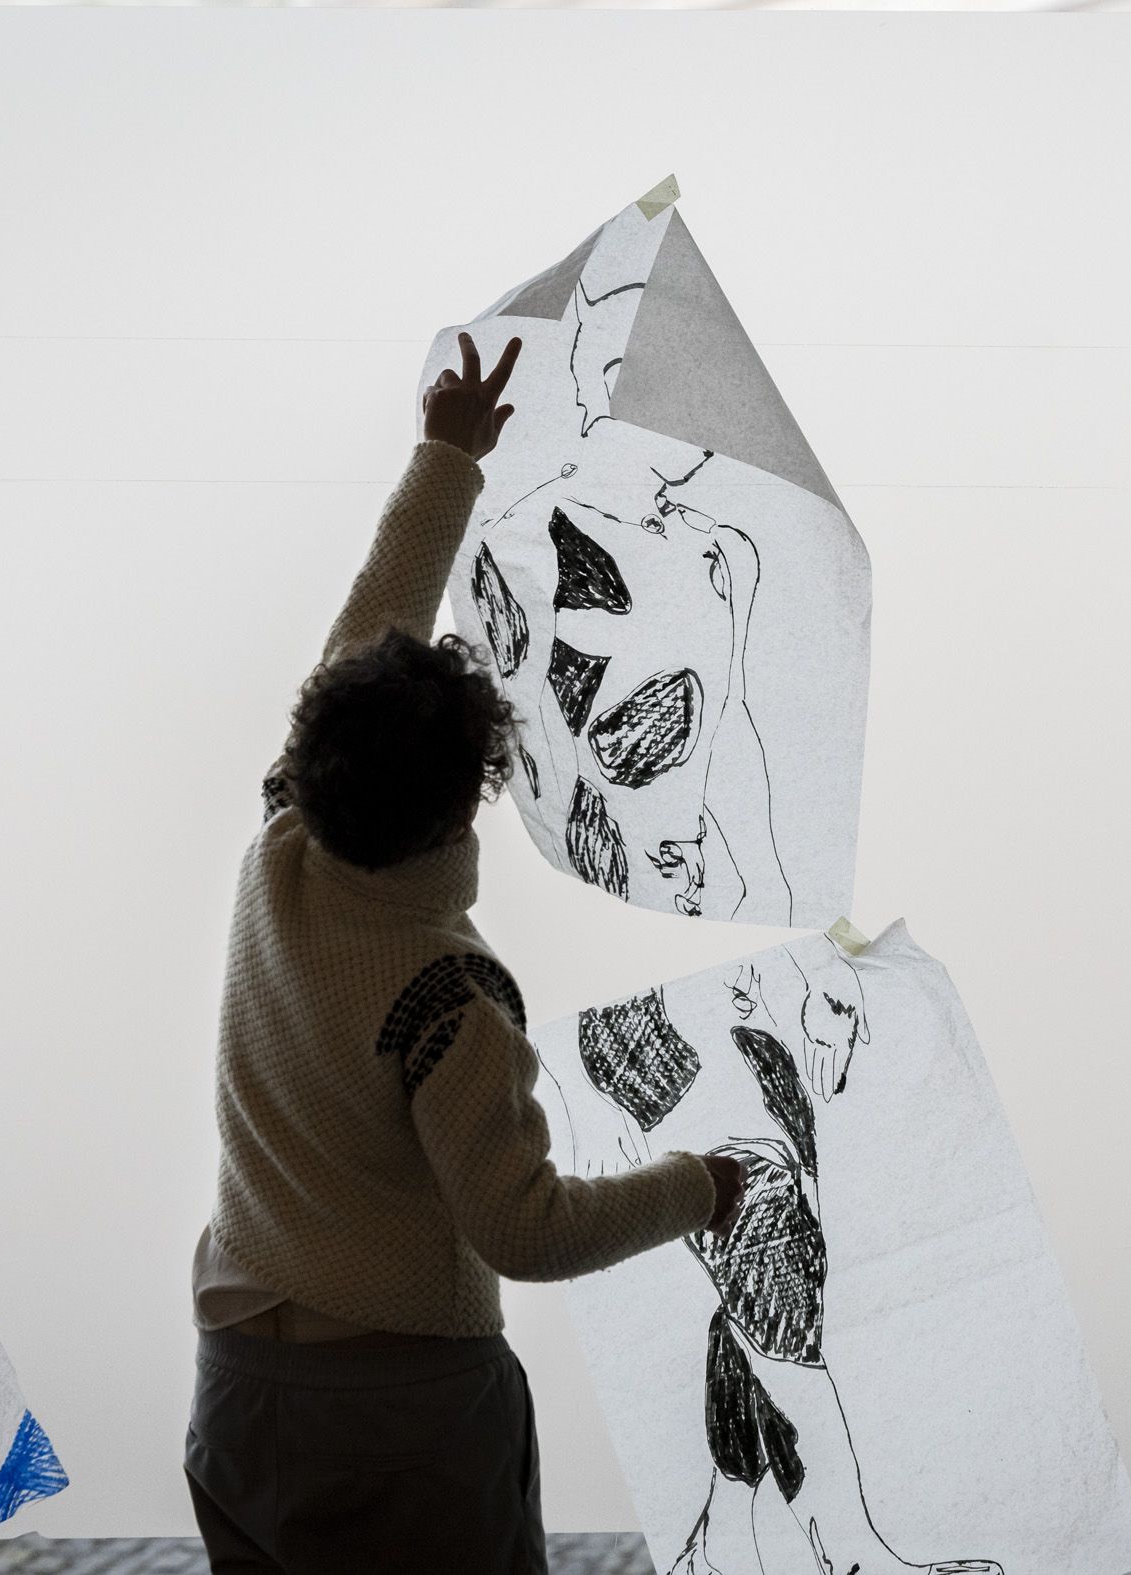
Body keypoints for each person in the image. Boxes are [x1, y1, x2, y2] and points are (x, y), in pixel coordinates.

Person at [183, 332, 746, 1575]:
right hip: (395, 1419)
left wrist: (446, 455)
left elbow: (365, 626)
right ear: (466, 806)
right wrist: (696, 1188)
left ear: (313, 756)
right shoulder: (448, 998)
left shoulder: (282, 849)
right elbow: (525, 1233)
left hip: (237, 1383)